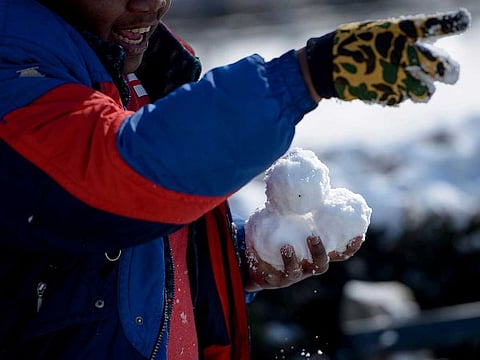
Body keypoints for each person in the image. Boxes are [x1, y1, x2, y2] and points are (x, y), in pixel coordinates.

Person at [0, 0, 470, 359]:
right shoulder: (13, 70)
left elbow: (105, 240)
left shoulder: (136, 72)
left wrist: (236, 256)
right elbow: (118, 175)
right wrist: (303, 77)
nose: (149, 3)